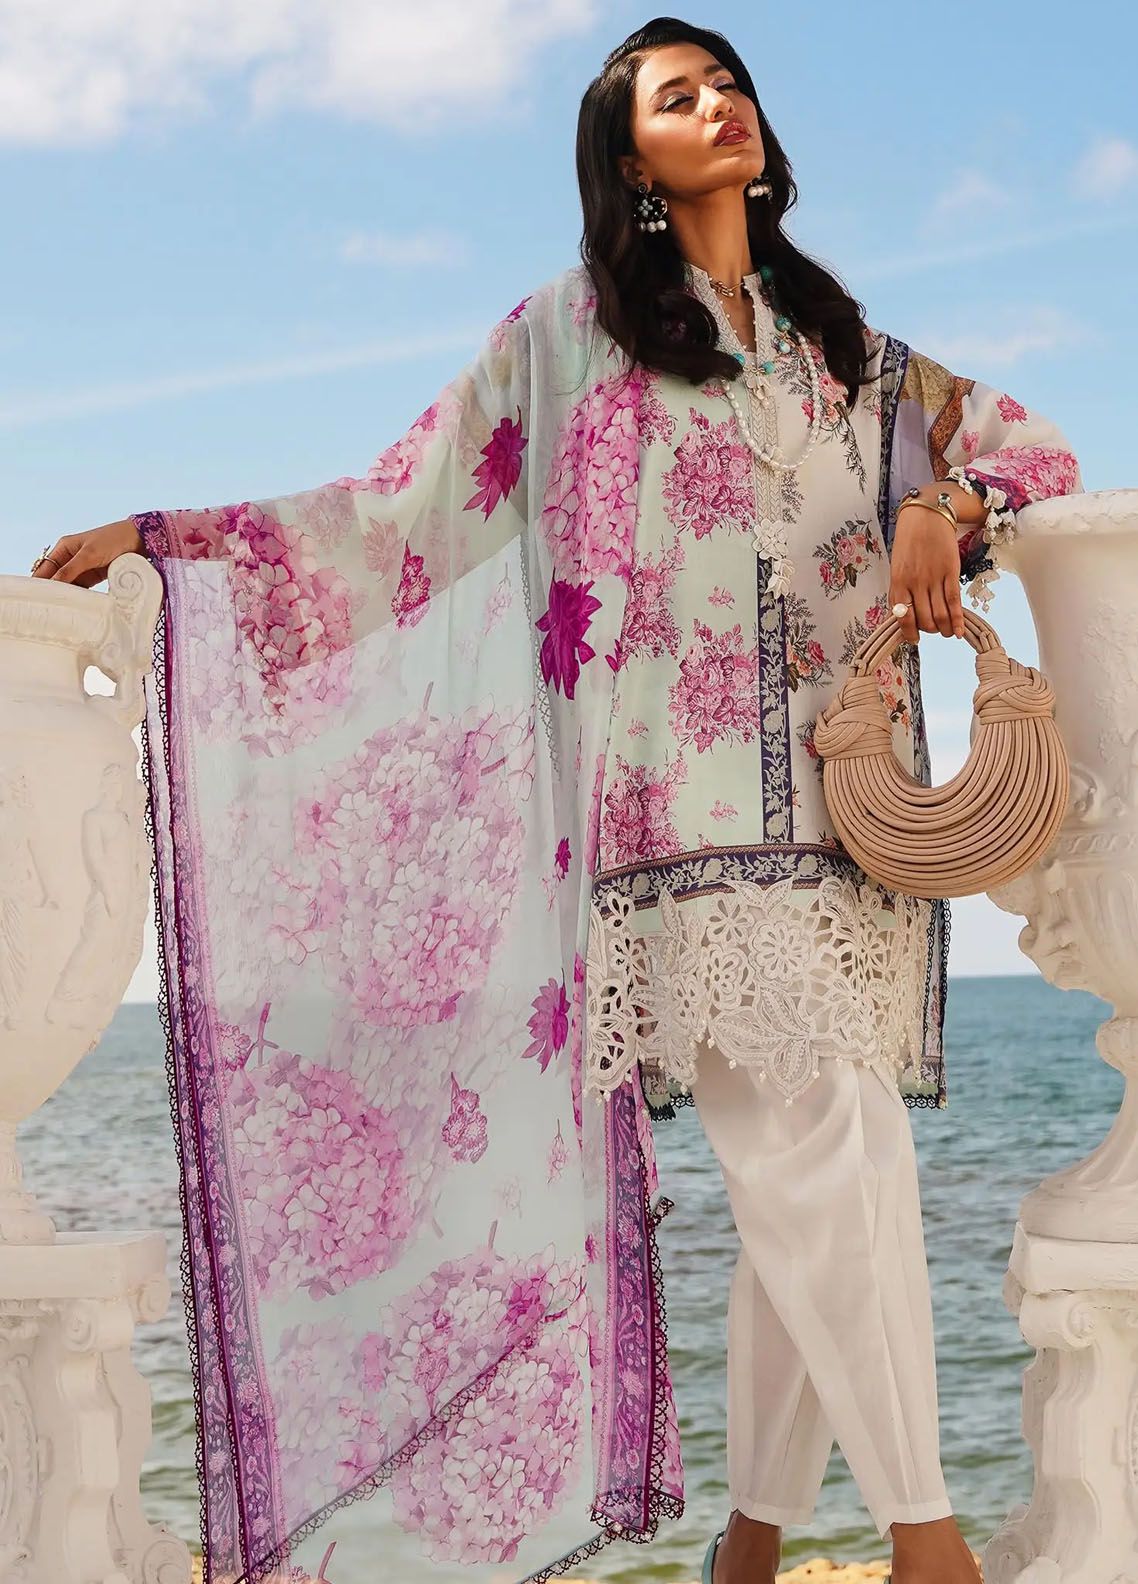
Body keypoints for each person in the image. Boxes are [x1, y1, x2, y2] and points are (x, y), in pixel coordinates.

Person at [31, 16, 1080, 1584]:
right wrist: (175, 543)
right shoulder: (570, 336)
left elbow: (1030, 448)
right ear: (629, 161)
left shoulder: (849, 351)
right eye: (677, 96)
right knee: (824, 1156)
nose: (718, 105)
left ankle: (753, 1543)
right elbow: (399, 514)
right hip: (675, 837)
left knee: (820, 1178)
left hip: (850, 826)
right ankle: (928, 1544)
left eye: (727, 83)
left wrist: (942, 501)